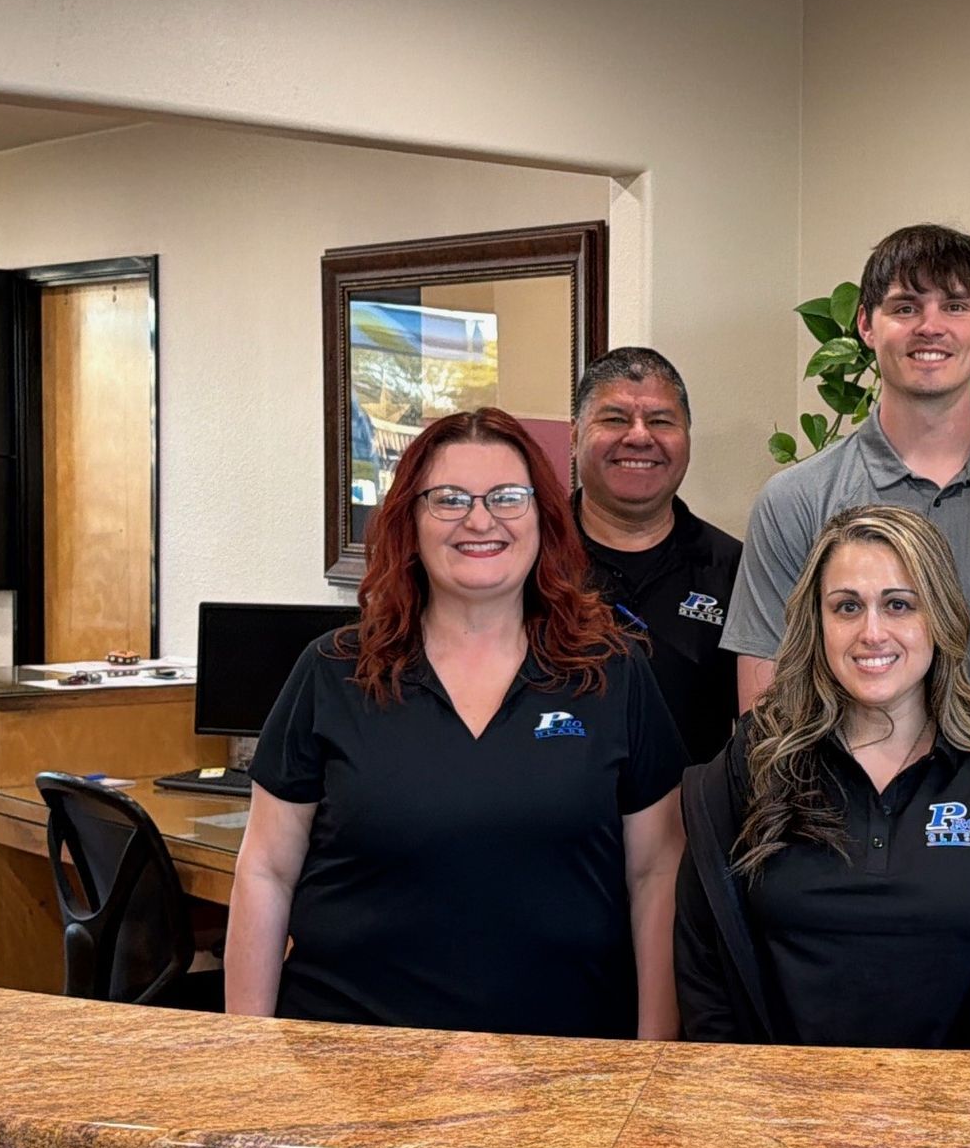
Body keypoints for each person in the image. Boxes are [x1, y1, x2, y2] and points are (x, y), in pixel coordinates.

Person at [225, 407, 686, 1038]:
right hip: (349, 1065)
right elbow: (265, 871)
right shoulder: (333, 671)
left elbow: (656, 872)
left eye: (507, 497)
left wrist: (653, 1061)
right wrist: (244, 1054)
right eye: (448, 499)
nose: (479, 519)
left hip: (568, 1072)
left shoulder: (613, 674)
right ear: (409, 522)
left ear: (544, 519)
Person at [678, 505, 970, 1049]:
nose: (872, 632)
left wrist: (960, 1107)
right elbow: (705, 962)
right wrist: (756, 1097)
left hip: (967, 1117)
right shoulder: (756, 761)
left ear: (939, 617)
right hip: (776, 1110)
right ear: (816, 623)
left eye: (899, 605)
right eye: (847, 607)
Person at [723, 224, 970, 710]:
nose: (930, 326)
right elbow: (767, 696)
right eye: (905, 307)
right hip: (846, 782)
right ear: (866, 325)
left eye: (956, 306)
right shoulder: (796, 499)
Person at [573, 347, 742, 766]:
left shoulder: (734, 569)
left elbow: (761, 726)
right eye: (614, 419)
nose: (639, 436)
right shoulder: (528, 559)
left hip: (693, 826)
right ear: (574, 435)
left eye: (661, 421)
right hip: (555, 826)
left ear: (687, 437)